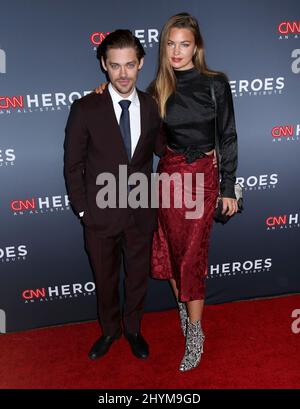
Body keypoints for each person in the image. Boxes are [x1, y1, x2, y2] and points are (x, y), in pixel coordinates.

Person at [64, 30, 165, 361]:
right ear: (104, 66)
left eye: (130, 65)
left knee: (137, 278)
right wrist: (83, 212)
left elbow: (163, 149)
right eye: (115, 66)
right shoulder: (85, 108)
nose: (123, 74)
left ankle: (133, 329)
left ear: (141, 64)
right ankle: (110, 330)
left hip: (140, 213)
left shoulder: (151, 106)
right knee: (105, 282)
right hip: (99, 217)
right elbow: (72, 165)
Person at [150, 13, 238, 372]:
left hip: (203, 177)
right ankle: (184, 315)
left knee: (191, 258)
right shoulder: (157, 88)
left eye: (184, 43)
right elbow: (142, 132)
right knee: (171, 254)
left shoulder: (215, 84)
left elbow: (228, 136)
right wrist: (101, 94)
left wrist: (228, 185)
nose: (176, 51)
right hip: (170, 176)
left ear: (196, 46)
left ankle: (196, 331)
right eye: (170, 43)